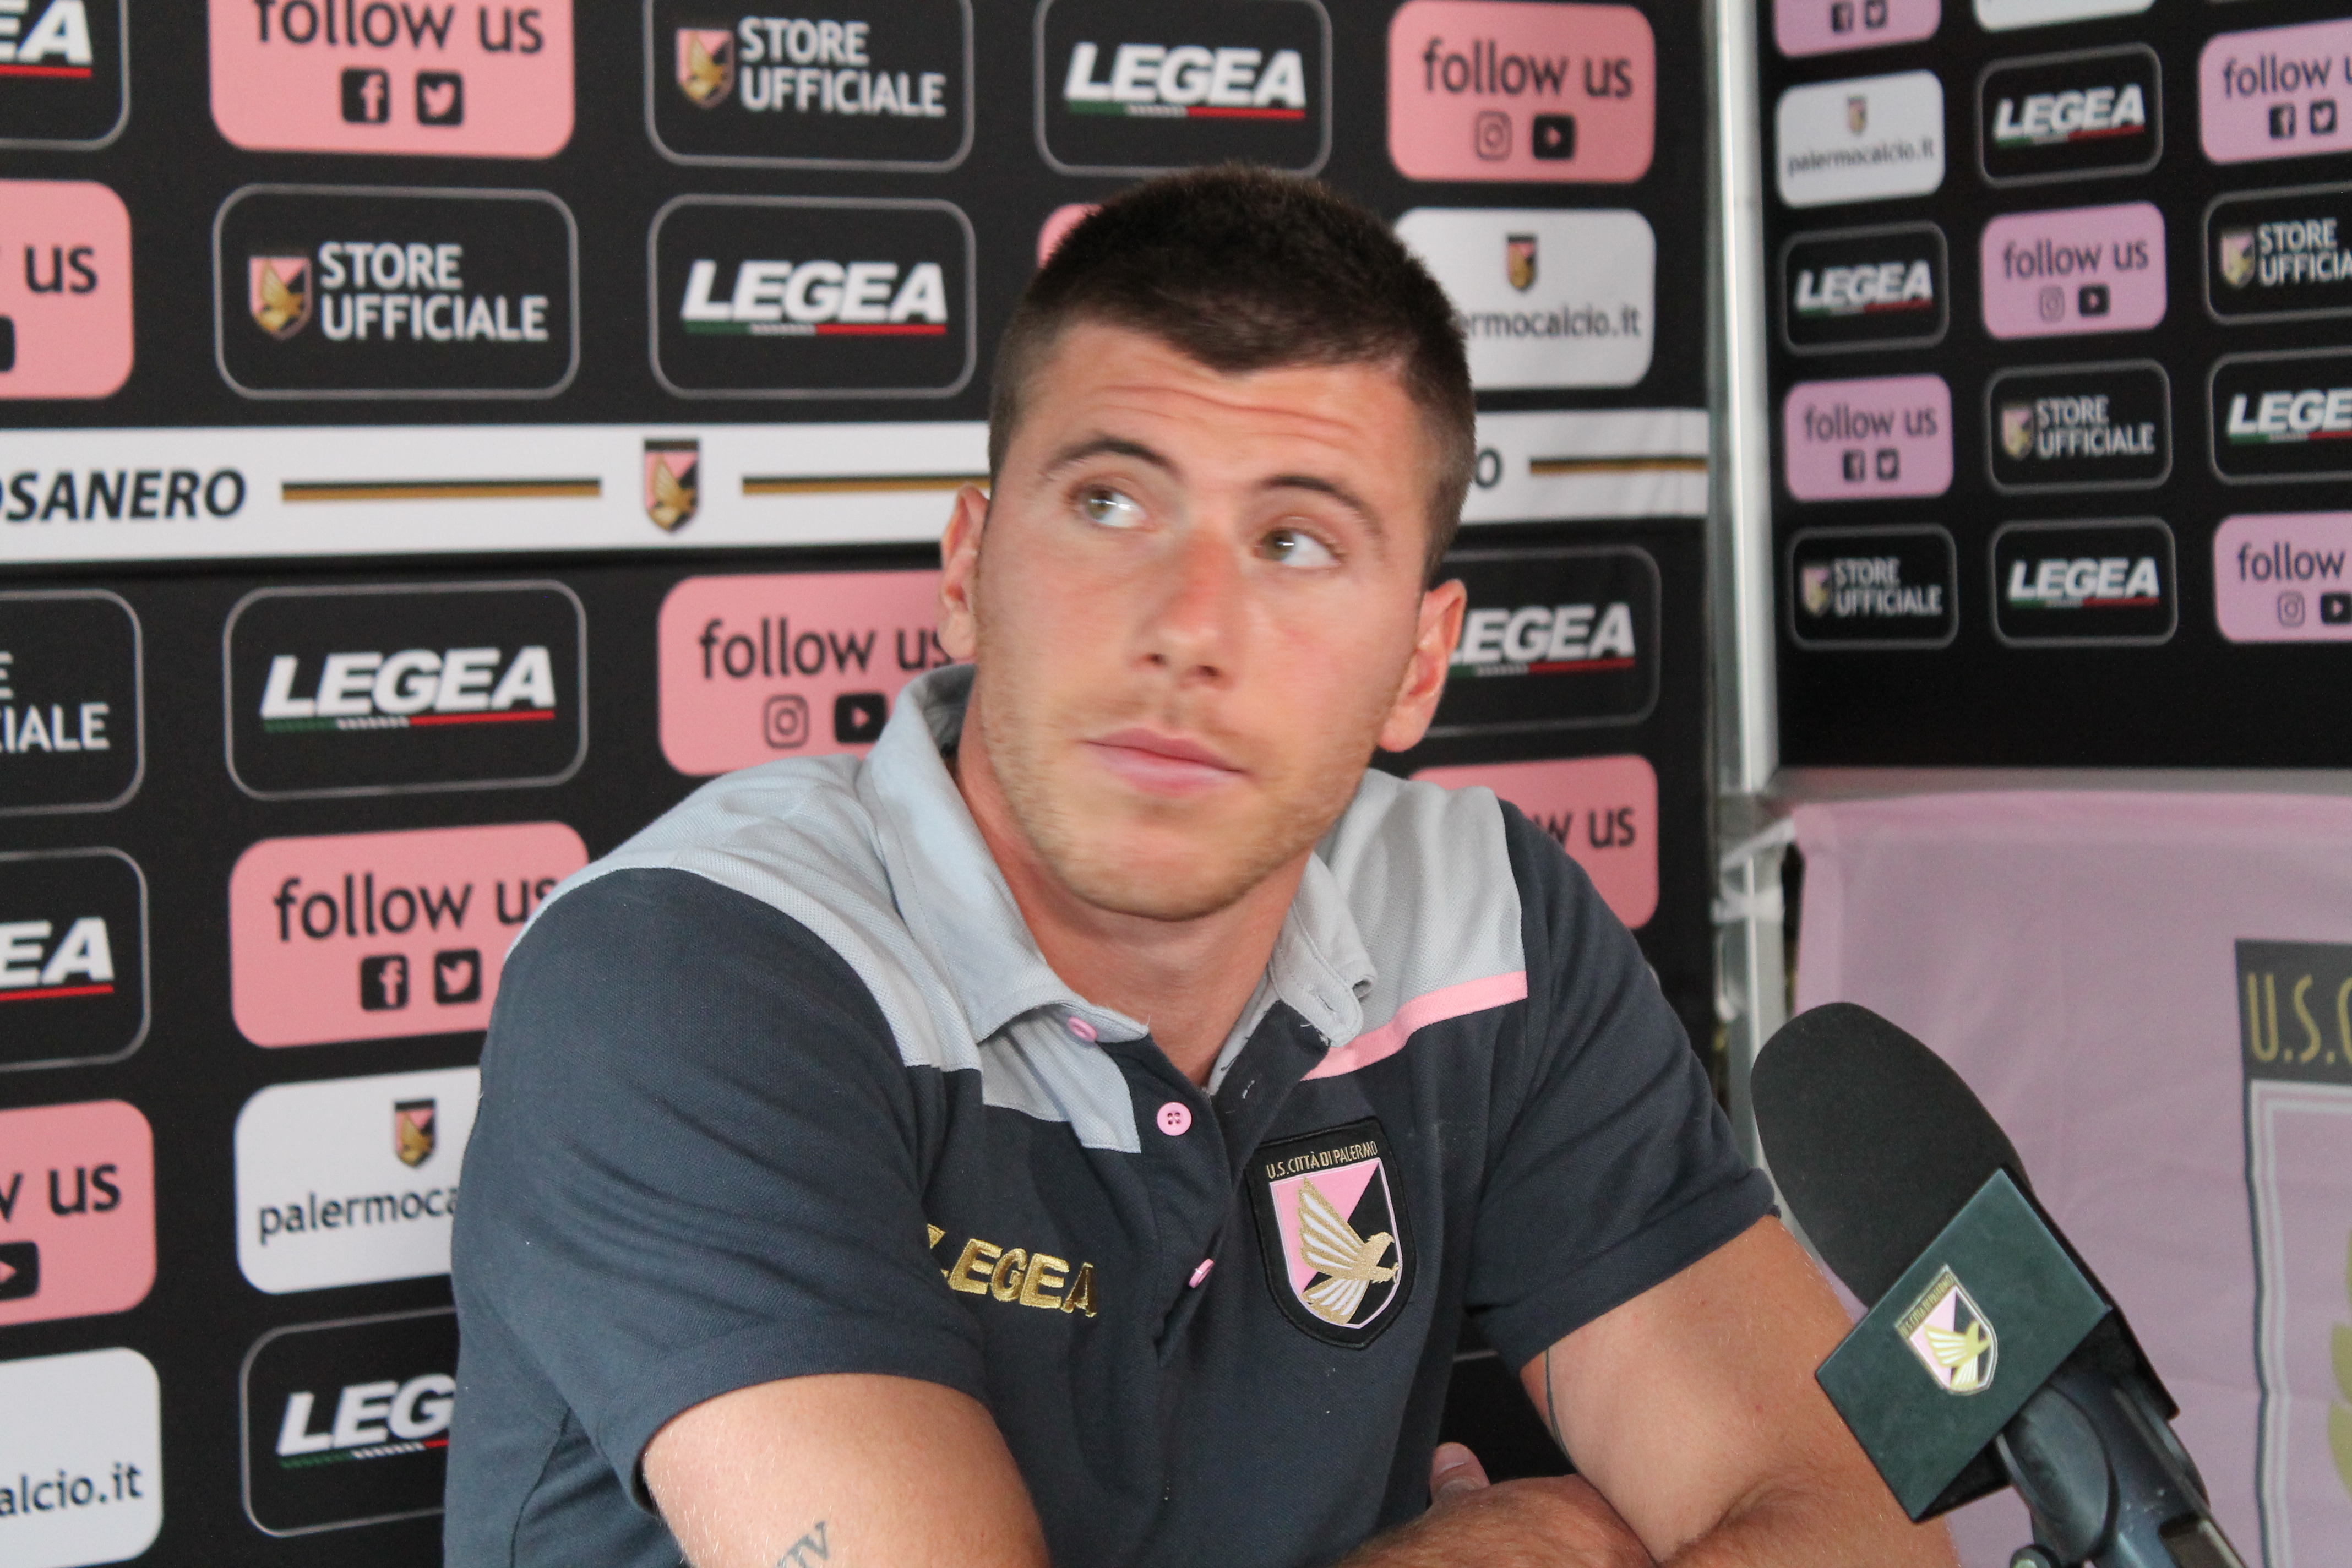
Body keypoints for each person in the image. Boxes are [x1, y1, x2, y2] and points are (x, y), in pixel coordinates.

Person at [445, 166, 1956, 1568]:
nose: (1188, 628)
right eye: (1111, 504)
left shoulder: (1484, 915)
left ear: (1419, 664)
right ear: (968, 567)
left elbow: (1860, 1534)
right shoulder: (694, 967)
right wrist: (1513, 1553)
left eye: (1295, 542)